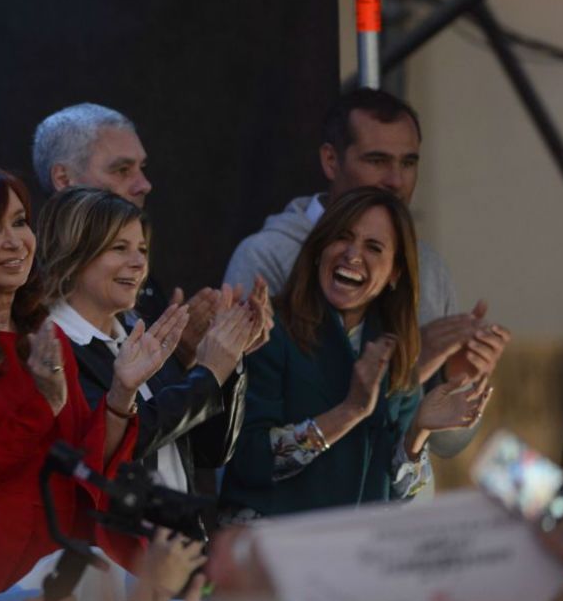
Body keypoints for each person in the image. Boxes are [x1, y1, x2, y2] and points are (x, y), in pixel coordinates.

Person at [0, 161, 187, 601]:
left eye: (20, 222)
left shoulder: (45, 339)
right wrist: (41, 407)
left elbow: (82, 468)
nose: (15, 242)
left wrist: (121, 394)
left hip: (59, 581)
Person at [222, 89, 510, 463]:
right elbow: (246, 440)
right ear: (330, 160)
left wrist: (460, 380)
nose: (395, 179)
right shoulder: (266, 256)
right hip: (303, 515)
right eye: (377, 160)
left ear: (396, 273)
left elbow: (443, 446)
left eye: (409, 163)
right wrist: (409, 367)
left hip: (396, 511)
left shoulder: (428, 267)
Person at [218, 188, 489, 522]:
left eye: (373, 247)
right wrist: (351, 410)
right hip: (272, 551)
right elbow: (249, 459)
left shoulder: (396, 348)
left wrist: (419, 430)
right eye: (342, 238)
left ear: (395, 273)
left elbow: (400, 496)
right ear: (319, 249)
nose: (352, 255)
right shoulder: (269, 329)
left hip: (353, 553)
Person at [35, 186, 265, 509]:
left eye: (142, 249)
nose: (139, 262)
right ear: (74, 254)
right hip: (107, 552)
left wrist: (229, 355)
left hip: (171, 552)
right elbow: (123, 442)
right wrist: (209, 372)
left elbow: (211, 451)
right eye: (120, 247)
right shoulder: (50, 345)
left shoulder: (135, 334)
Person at [31, 103, 242, 375]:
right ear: (63, 178)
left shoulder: (139, 274)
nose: (144, 184)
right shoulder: (30, 299)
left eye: (141, 167)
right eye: (122, 170)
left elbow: (150, 406)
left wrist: (182, 351)